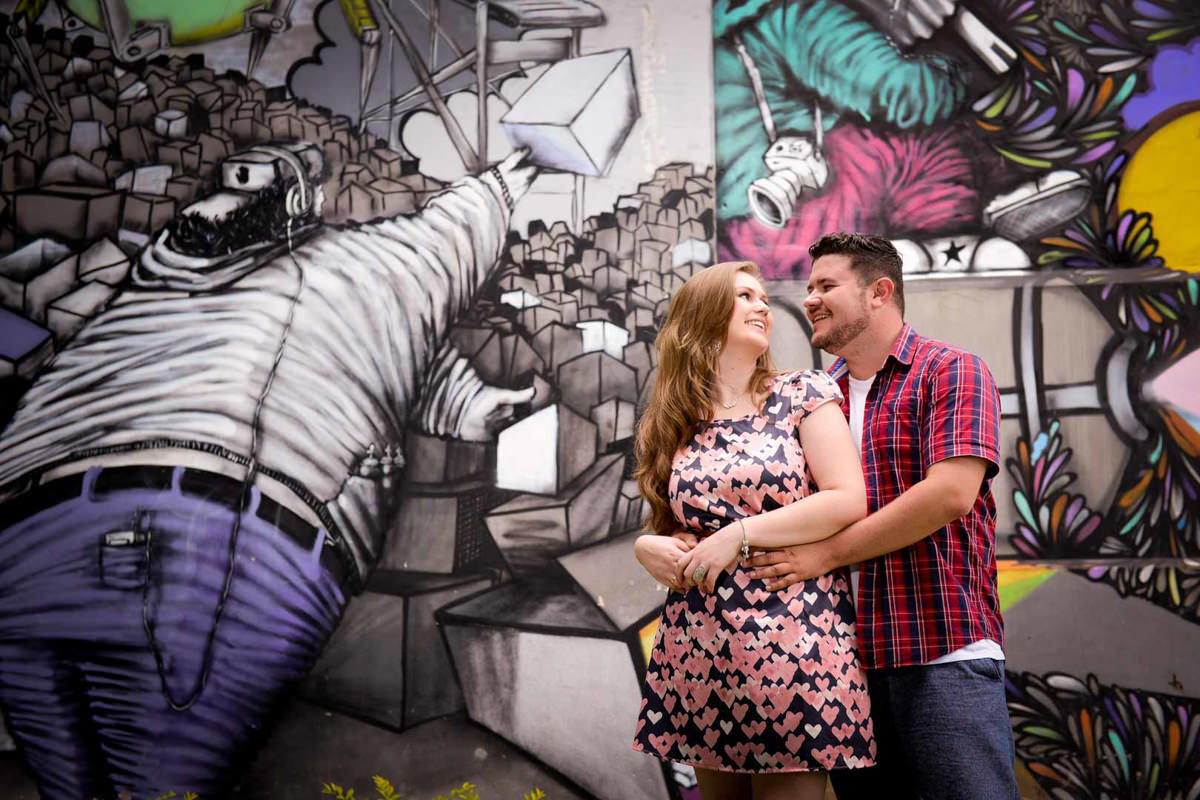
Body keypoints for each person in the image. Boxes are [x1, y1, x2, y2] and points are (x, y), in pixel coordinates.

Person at [0, 144, 537, 799]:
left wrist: (471, 405)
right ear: (303, 209)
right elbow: (459, 226)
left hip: (23, 546)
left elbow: (384, 361)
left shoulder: (155, 282)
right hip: (207, 549)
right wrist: (521, 164)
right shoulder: (365, 267)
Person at [746, 232, 1019, 799]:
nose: (810, 298)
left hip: (942, 653)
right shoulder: (821, 399)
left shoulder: (951, 371)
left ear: (879, 291)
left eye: (826, 285)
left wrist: (826, 555)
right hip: (844, 665)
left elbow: (949, 496)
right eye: (809, 286)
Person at [630, 260, 876, 800]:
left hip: (795, 642)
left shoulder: (803, 392)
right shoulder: (675, 418)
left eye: (763, 297)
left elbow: (846, 499)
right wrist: (647, 546)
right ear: (704, 314)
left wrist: (737, 535)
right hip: (700, 650)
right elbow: (674, 529)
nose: (763, 305)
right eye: (745, 296)